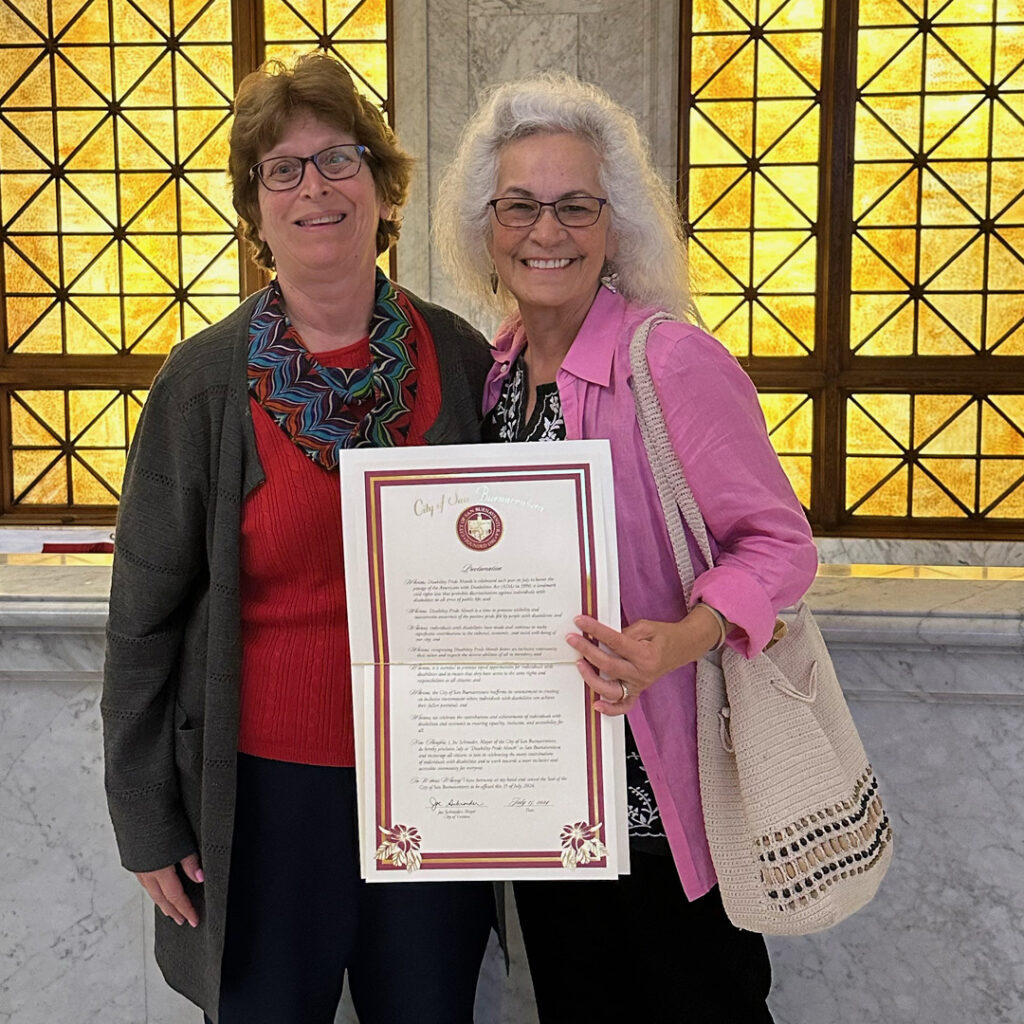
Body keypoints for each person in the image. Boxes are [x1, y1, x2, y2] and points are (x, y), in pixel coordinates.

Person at [101, 54, 495, 1024]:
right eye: (283, 169)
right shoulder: (200, 386)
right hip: (262, 808)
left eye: (338, 160)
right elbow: (141, 622)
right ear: (256, 206)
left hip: (434, 795)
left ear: (382, 185)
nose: (314, 188)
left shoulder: (462, 357)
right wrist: (146, 821)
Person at [434, 73, 819, 1023]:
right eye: (520, 205)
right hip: (553, 807)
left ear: (617, 225)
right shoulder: (496, 375)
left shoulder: (669, 360)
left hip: (663, 810)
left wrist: (672, 642)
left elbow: (780, 548)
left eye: (575, 206)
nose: (546, 232)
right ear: (488, 225)